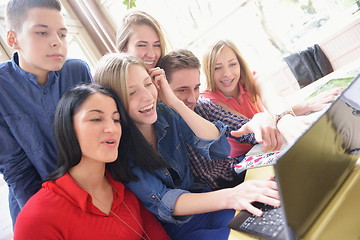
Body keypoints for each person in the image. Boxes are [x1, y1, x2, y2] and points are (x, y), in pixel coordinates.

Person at [94, 53, 280, 240]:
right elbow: (164, 200)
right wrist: (232, 195)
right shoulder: (120, 149)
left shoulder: (165, 112)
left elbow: (219, 149)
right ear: (113, 103)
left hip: (209, 204)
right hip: (181, 227)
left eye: (147, 84)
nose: (146, 96)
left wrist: (175, 103)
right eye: (132, 92)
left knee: (271, 218)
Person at [13, 84, 170, 239]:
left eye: (116, 119)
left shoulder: (127, 188)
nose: (112, 129)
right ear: (68, 128)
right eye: (96, 119)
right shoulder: (37, 218)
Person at [0, 0, 92, 224]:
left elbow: (97, 137)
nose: (56, 43)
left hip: (91, 187)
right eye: (42, 33)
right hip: (37, 199)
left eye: (62, 34)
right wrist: (53, 220)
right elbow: (16, 170)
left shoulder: (78, 71)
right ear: (13, 39)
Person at [157, 49, 282, 189]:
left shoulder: (202, 106)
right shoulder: (158, 127)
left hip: (233, 175)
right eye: (182, 90)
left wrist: (262, 121)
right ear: (162, 89)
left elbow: (242, 128)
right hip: (206, 198)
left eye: (196, 88)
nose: (192, 98)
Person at [201, 39, 343, 146]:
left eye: (233, 64)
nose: (227, 73)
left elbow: (273, 97)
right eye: (217, 68)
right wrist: (285, 118)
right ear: (208, 71)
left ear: (240, 64)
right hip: (245, 159)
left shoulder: (251, 78)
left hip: (271, 145)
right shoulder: (207, 100)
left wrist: (306, 106)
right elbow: (254, 127)